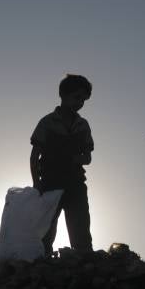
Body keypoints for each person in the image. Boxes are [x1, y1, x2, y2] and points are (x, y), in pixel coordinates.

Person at [30, 74, 94, 255]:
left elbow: (88, 157)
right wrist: (37, 183)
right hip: (50, 182)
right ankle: (42, 264)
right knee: (46, 229)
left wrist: (73, 158)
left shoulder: (83, 125)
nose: (80, 102)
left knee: (80, 227)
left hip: (76, 183)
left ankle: (84, 261)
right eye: (76, 97)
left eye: (83, 99)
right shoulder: (47, 122)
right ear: (63, 95)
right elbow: (35, 155)